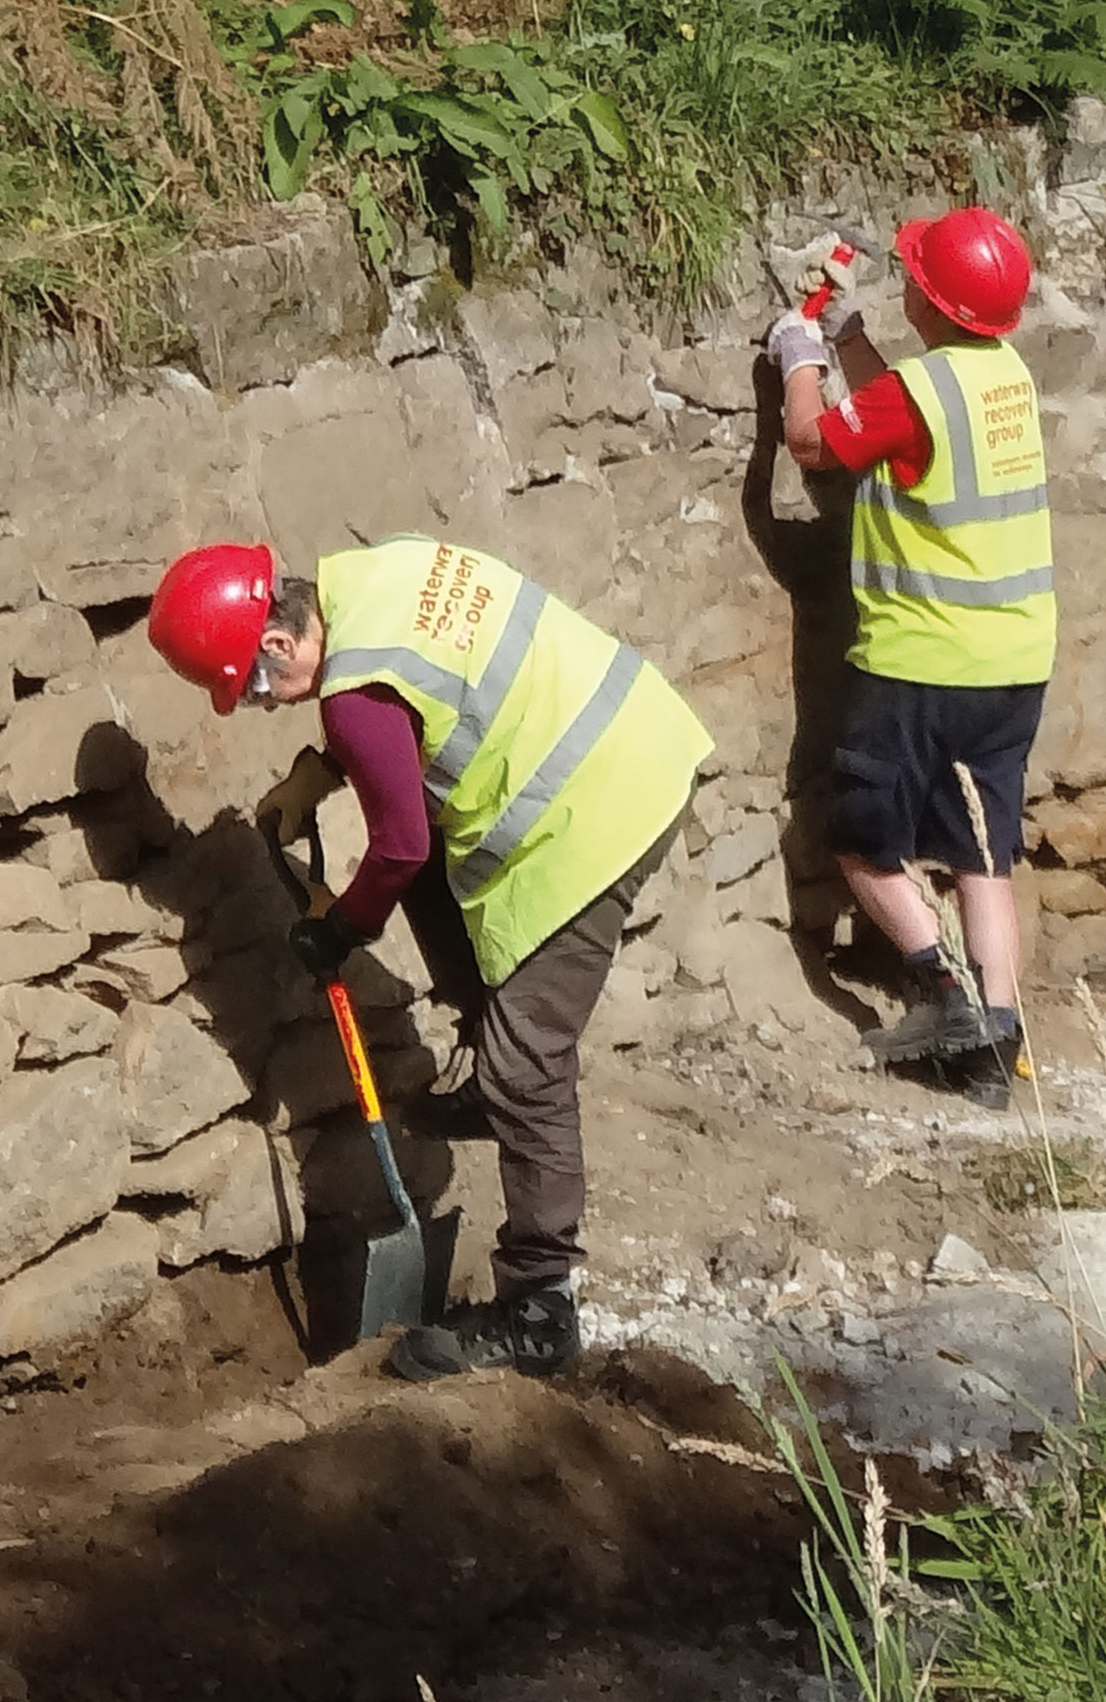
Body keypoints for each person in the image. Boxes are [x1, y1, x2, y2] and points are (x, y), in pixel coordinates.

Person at [147, 536, 712, 1382]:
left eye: (255, 685)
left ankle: (538, 1309)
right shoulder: (369, 579)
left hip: (600, 809)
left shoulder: (350, 696)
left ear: (275, 642)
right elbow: (417, 692)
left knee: (530, 1064)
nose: (262, 703)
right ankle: (495, 1075)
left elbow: (401, 847)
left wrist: (337, 933)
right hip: (632, 734)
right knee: (445, 898)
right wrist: (322, 773)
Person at [772, 206, 1053, 1104]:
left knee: (857, 838)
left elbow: (817, 444)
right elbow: (913, 418)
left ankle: (942, 992)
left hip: (922, 659)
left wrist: (798, 356)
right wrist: (850, 336)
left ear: (930, 302)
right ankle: (998, 1041)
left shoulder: (917, 394)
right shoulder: (1002, 374)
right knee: (982, 852)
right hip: (1013, 659)